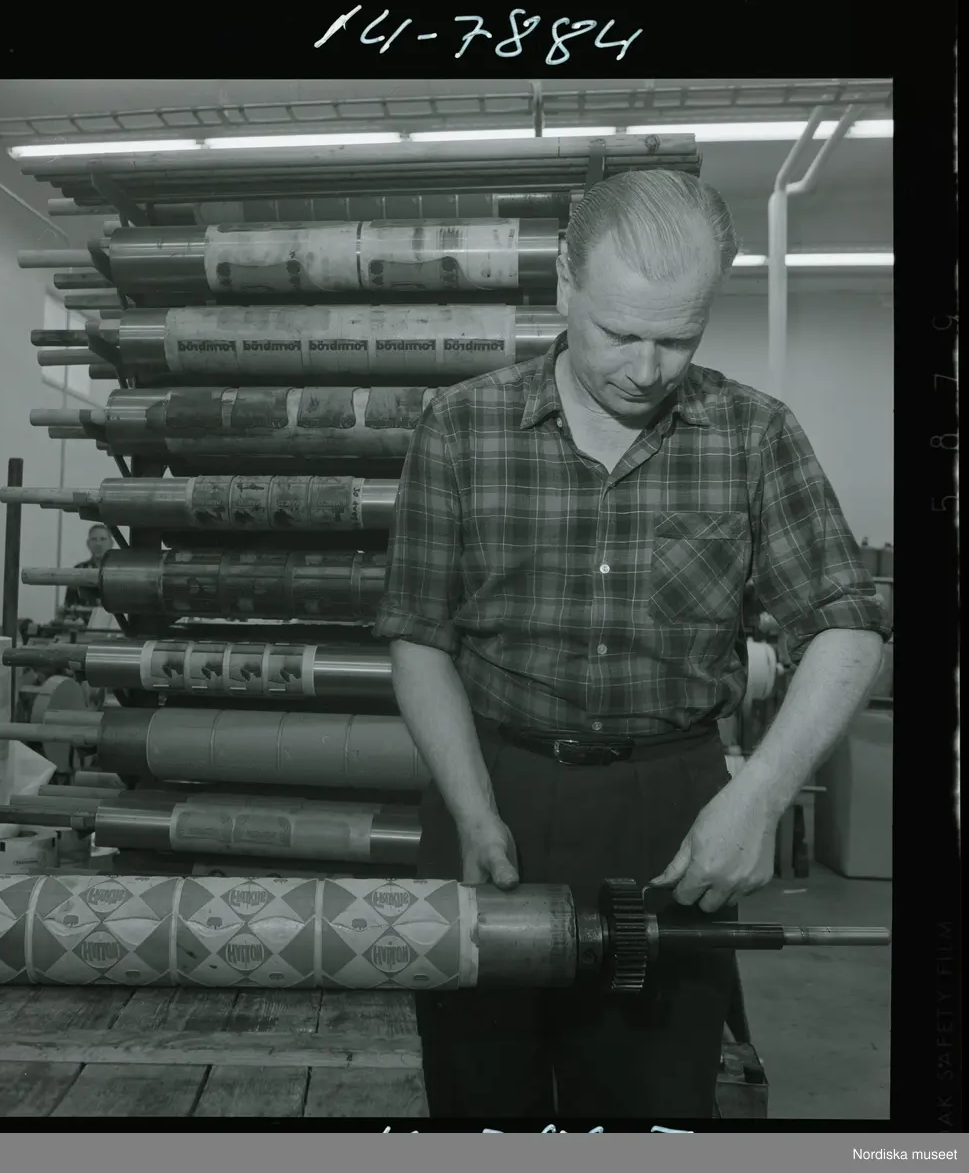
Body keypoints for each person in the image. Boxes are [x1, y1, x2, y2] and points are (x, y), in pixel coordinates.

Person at [372, 169, 890, 1120]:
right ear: (563, 282)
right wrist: (473, 811)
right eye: (619, 333)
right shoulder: (460, 427)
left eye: (677, 339)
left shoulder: (753, 436)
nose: (647, 370)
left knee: (648, 1100)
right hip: (489, 785)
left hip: (672, 812)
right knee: (480, 1089)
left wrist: (757, 799)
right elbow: (419, 637)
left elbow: (846, 627)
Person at [61, 524, 113, 613]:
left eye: (103, 539)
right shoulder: (79, 570)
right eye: (94, 539)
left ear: (111, 543)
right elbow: (68, 605)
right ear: (88, 544)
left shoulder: (119, 571)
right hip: (84, 619)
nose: (98, 544)